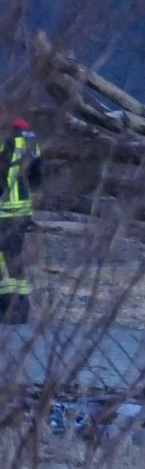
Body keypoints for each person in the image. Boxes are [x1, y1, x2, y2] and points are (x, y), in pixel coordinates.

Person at [1, 118, 43, 325]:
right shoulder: (28, 135)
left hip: (3, 207)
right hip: (21, 206)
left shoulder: (4, 137)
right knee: (13, 258)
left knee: (5, 259)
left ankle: (10, 308)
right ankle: (19, 308)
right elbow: (36, 173)